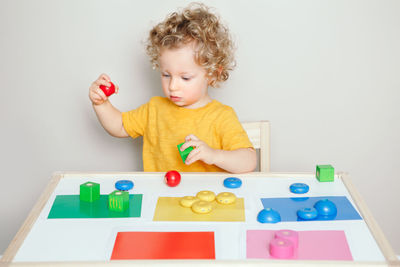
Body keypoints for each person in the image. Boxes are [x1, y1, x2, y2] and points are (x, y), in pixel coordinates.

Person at [88, 3, 256, 173]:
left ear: (212, 75)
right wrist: (101, 104)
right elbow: (119, 126)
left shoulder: (221, 116)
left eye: (185, 77)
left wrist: (213, 155)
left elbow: (248, 161)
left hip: (205, 199)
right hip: (159, 197)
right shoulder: (154, 109)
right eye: (166, 75)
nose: (173, 86)